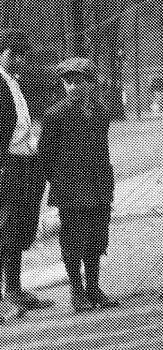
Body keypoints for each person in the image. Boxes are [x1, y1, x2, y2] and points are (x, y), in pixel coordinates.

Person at [40, 57, 118, 313]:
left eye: (78, 81)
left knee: (97, 236)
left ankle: (94, 287)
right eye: (68, 81)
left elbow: (102, 149)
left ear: (90, 83)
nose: (73, 86)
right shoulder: (55, 115)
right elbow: (45, 155)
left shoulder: (101, 112)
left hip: (99, 184)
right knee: (74, 239)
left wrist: (105, 180)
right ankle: (77, 291)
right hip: (71, 187)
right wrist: (61, 182)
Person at [0, 29, 53, 320]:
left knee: (19, 228)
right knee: (5, 227)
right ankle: (3, 297)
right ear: (5, 53)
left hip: (23, 165)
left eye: (22, 55)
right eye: (16, 55)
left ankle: (15, 289)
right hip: (7, 166)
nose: (20, 61)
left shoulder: (14, 83)